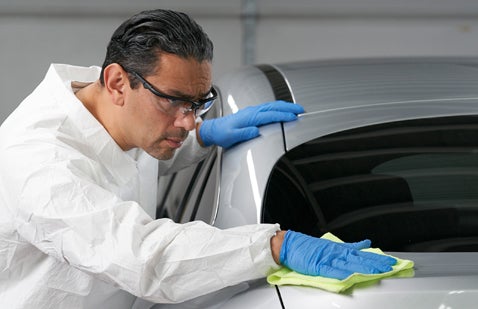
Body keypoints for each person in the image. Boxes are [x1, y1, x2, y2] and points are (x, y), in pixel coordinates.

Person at [0, 9, 396, 308]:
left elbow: (121, 156)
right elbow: (140, 255)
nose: (189, 121)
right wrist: (274, 247)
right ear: (118, 82)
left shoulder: (113, 106)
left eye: (199, 104)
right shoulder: (37, 162)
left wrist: (204, 138)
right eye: (175, 103)